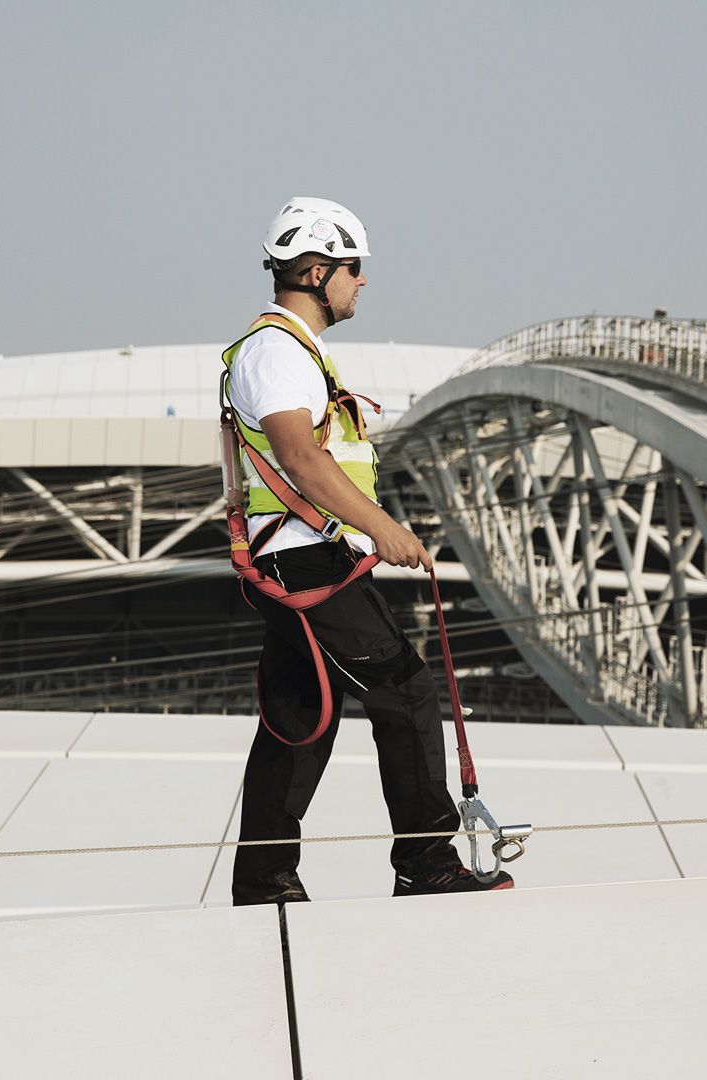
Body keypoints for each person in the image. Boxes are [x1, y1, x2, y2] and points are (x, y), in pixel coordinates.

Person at [222, 196, 515, 904]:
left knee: (301, 718)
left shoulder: (291, 351)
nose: (361, 283)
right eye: (354, 269)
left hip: (298, 558)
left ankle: (262, 880)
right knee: (407, 691)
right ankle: (426, 862)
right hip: (306, 561)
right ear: (318, 270)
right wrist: (380, 525)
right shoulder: (277, 351)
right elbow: (300, 457)